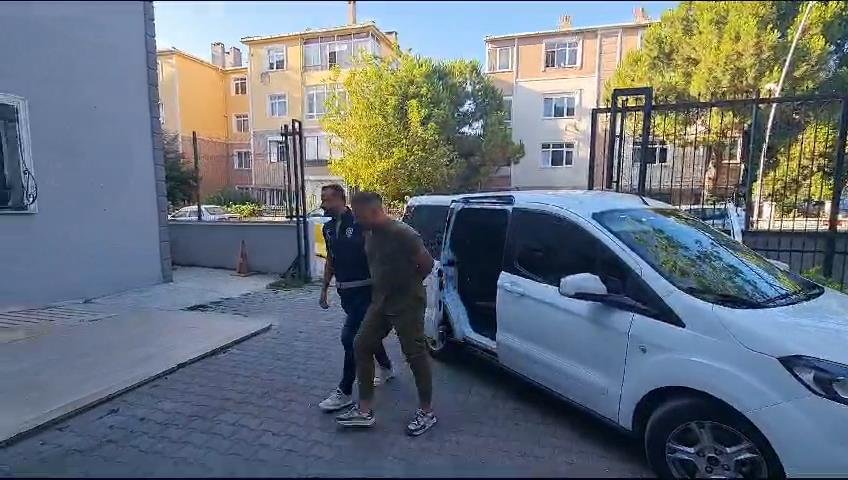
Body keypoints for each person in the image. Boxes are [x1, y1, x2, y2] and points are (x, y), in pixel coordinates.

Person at [336, 191, 437, 436]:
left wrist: (407, 287)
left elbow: (427, 264)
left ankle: (427, 412)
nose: (356, 221)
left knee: (415, 354)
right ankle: (364, 411)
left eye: (359, 216)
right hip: (380, 302)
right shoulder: (369, 232)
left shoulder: (403, 233)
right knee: (361, 344)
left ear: (374, 211)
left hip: (407, 303)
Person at [317, 184, 394, 412]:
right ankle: (386, 366)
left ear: (341, 200)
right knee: (365, 334)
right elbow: (331, 259)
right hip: (346, 294)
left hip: (366, 293)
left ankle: (345, 391)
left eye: (327, 199)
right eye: (322, 199)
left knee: (350, 339)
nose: (323, 204)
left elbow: (380, 255)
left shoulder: (360, 224)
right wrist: (324, 289)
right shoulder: (328, 229)